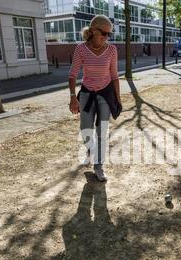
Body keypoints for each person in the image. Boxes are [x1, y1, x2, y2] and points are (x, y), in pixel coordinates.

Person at [68, 15, 122, 182]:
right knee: (85, 129)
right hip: (86, 94)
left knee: (102, 131)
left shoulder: (112, 50)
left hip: (106, 94)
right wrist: (72, 97)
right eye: (104, 33)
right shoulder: (81, 49)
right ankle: (90, 150)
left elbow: (114, 76)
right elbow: (72, 74)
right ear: (93, 31)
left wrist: (118, 98)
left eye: (109, 34)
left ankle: (98, 166)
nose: (106, 37)